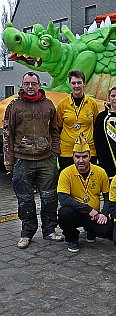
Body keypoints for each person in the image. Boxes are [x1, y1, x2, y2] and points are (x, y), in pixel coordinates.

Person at [3, 71, 63, 249]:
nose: (30, 87)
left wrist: (55, 152)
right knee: (25, 198)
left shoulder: (49, 105)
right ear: (22, 85)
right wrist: (9, 161)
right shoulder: (14, 106)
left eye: (33, 83)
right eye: (27, 83)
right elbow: (8, 135)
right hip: (22, 160)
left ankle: (50, 230)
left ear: (39, 85)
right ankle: (26, 232)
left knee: (49, 197)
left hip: (46, 160)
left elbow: (54, 130)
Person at [57, 133, 113, 253]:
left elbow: (108, 197)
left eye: (84, 157)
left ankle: (91, 230)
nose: (81, 160)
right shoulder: (66, 173)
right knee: (64, 213)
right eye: (77, 157)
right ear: (73, 157)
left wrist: (104, 213)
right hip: (76, 214)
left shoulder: (100, 171)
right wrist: (88, 209)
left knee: (108, 230)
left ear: (90, 156)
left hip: (94, 215)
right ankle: (72, 238)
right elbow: (63, 199)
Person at [57, 70, 99, 171]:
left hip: (88, 151)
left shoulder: (92, 104)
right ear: (69, 84)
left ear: (84, 83)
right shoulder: (62, 104)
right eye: (73, 83)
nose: (76, 86)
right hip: (67, 151)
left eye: (79, 83)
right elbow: (58, 127)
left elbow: (97, 126)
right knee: (68, 180)